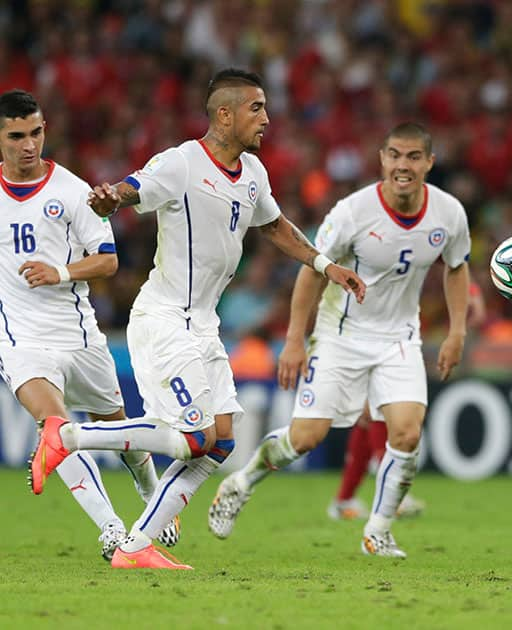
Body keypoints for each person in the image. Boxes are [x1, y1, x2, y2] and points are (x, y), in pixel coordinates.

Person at [27, 68, 366, 570]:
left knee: (220, 442)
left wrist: (323, 263)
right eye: (257, 108)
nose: (267, 119)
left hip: (204, 325)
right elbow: (132, 187)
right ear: (224, 114)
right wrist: (110, 197)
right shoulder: (182, 163)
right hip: (163, 318)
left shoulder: (253, 173)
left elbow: (274, 225)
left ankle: (136, 545)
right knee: (190, 439)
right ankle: (67, 437)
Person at [208, 122, 470, 559]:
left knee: (406, 434)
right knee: (305, 438)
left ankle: (378, 531)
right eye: (394, 155)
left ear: (429, 162)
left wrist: (458, 330)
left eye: (412, 157)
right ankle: (242, 481)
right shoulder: (353, 212)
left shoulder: (450, 214)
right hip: (341, 335)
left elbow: (457, 268)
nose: (402, 165)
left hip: (400, 336)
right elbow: (312, 268)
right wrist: (295, 339)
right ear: (382, 158)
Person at [0, 89, 175, 561]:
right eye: (16, 136)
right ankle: (114, 531)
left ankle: (152, 495)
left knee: (121, 433)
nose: (28, 145)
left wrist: (59, 272)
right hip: (21, 340)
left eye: (35, 133)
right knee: (54, 428)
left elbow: (108, 262)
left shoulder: (72, 191)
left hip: (79, 339)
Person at [328, 280, 485, 521]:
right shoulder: (369, 260)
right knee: (374, 411)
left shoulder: (411, 253)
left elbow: (448, 257)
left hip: (385, 334)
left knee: (370, 415)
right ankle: (389, 495)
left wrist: (470, 291)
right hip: (355, 334)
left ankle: (345, 500)